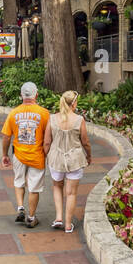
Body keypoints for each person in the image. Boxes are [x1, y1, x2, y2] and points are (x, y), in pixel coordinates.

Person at [0, 81, 53, 228]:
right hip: (37, 156)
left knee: (18, 182)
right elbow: (49, 138)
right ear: (36, 94)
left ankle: (20, 208)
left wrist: (4, 155)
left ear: (21, 95)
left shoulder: (13, 113)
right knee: (34, 188)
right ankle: (31, 217)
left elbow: (6, 137)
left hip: (18, 155)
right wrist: (48, 153)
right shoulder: (44, 113)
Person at [44, 89, 94, 232]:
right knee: (71, 193)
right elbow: (85, 142)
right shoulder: (79, 120)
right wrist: (89, 155)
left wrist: (46, 156)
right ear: (74, 103)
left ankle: (58, 217)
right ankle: (67, 225)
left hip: (56, 159)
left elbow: (47, 142)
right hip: (75, 159)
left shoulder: (52, 118)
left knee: (57, 186)